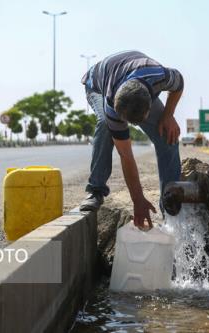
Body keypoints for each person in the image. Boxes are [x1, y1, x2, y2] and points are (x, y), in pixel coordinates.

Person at [80, 50, 184, 228]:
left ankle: (170, 204)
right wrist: (138, 200)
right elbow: (126, 155)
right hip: (97, 84)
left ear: (150, 100)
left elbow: (180, 82)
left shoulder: (160, 76)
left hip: (136, 79)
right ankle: (95, 190)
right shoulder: (111, 106)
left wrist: (168, 115)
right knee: (105, 124)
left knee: (167, 133)